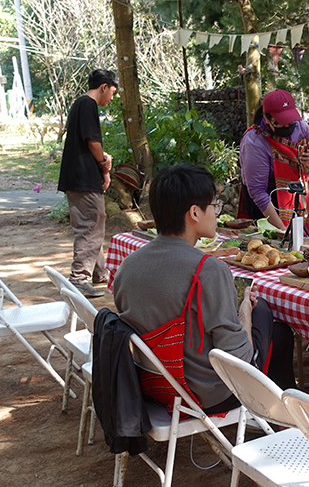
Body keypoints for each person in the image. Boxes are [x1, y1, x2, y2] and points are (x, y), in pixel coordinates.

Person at [113, 164, 294, 415]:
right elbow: (240, 360)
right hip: (204, 393)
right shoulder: (207, 270)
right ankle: (282, 417)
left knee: (278, 331)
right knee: (264, 314)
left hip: (151, 383)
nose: (217, 212)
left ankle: (279, 416)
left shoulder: (127, 266)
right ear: (195, 213)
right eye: (214, 205)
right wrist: (245, 315)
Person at [57, 69, 118, 299]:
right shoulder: (88, 104)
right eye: (112, 92)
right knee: (90, 226)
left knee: (94, 224)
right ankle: (79, 278)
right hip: (83, 179)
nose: (111, 98)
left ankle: (99, 272)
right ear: (103, 86)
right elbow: (92, 140)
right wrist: (105, 162)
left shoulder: (79, 105)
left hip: (78, 177)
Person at [238, 89, 309, 233]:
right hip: (265, 202)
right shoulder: (254, 142)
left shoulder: (300, 126)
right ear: (267, 119)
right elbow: (258, 192)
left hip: (294, 194)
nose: (287, 126)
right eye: (281, 122)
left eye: (290, 121)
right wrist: (282, 230)